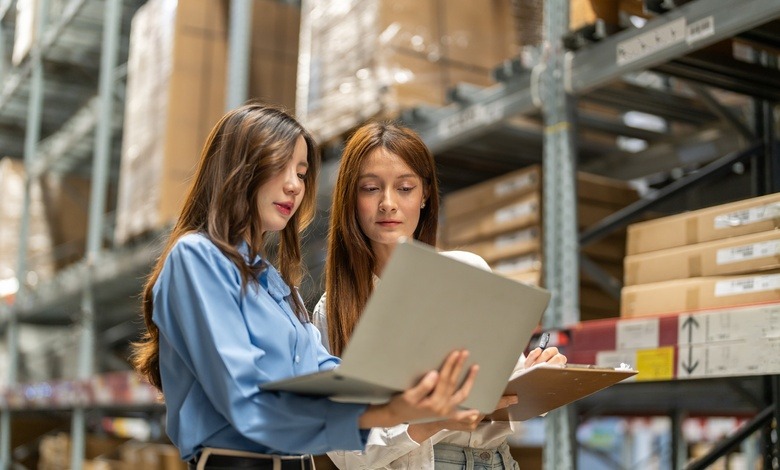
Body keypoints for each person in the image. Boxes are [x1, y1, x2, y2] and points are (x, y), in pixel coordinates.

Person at [129, 103, 484, 470]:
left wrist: (418, 384)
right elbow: (245, 401)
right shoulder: (197, 258)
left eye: (300, 173)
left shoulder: (278, 289)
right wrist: (394, 408)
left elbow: (327, 376)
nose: (294, 185)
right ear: (236, 169)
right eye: (279, 166)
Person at [314, 121, 567, 469]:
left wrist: (532, 377)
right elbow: (344, 452)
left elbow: (502, 398)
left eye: (405, 188)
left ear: (425, 194)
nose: (388, 203)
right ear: (350, 198)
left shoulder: (468, 270)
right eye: (371, 188)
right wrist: (433, 421)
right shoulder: (334, 310)